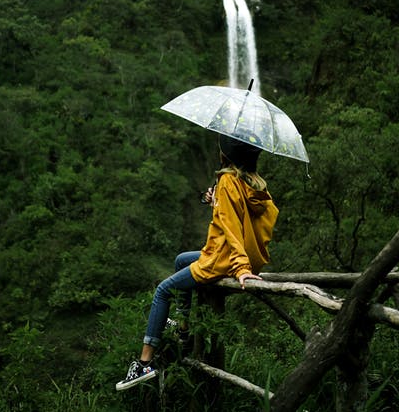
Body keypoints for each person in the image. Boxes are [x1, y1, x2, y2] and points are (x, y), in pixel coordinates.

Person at [116, 133, 279, 391]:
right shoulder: (254, 184)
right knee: (181, 260)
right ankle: (183, 328)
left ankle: (144, 363)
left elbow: (231, 226)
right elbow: (248, 220)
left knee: (162, 291)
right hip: (234, 256)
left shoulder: (227, 181)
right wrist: (217, 204)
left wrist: (241, 268)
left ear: (226, 155)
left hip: (225, 259)